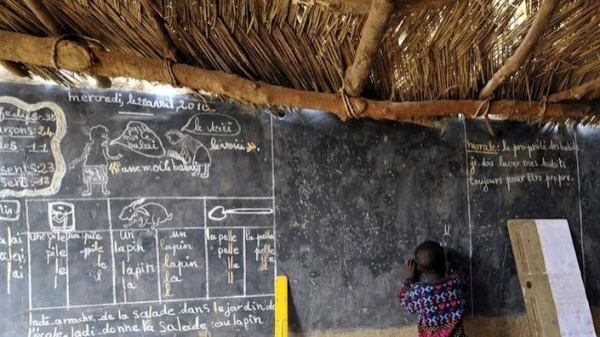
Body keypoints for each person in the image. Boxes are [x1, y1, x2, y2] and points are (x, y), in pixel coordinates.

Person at [398, 241, 468, 337]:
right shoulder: (455, 283)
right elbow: (464, 277)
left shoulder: (419, 293)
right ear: (444, 264)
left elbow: (402, 298)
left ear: (419, 269)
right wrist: (451, 263)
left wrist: (410, 278)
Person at [70, 125, 122, 196]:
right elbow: (83, 156)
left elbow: (107, 156)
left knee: (102, 177)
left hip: (101, 163)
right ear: (96, 137)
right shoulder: (89, 146)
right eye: (102, 137)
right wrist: (74, 162)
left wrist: (117, 157)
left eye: (104, 138)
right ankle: (89, 190)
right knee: (89, 177)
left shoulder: (104, 147)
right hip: (90, 164)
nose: (104, 139)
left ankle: (104, 189)